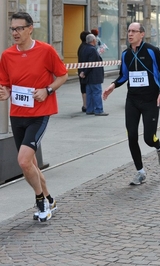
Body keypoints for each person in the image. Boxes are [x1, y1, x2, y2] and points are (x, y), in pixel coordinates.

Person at [0, 11, 68, 222]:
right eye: (12, 29)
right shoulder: (7, 55)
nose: (15, 32)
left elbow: (63, 75)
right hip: (17, 114)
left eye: (19, 28)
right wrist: (6, 92)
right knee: (31, 165)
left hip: (39, 114)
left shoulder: (46, 50)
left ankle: (40, 202)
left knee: (23, 161)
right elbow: (6, 84)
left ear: (30, 28)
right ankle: (50, 200)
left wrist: (47, 90)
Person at [102, 22, 160, 185]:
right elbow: (124, 75)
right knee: (131, 136)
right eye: (129, 31)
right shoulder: (126, 54)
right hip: (132, 100)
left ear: (142, 34)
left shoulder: (152, 52)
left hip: (150, 100)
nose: (130, 34)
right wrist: (113, 85)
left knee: (148, 138)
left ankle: (159, 146)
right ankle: (140, 172)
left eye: (134, 31)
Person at [79, 34, 108, 116]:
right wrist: (85, 72)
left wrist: (83, 72)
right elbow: (92, 64)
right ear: (93, 41)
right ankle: (99, 110)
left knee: (89, 93)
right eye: (95, 40)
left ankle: (90, 109)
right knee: (96, 92)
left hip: (87, 76)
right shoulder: (92, 50)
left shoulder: (84, 48)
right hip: (94, 75)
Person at [77, 30, 90, 113]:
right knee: (86, 88)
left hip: (80, 69)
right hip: (84, 71)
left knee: (83, 87)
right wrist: (85, 72)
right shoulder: (87, 47)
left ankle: (85, 105)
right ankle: (86, 105)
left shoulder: (81, 47)